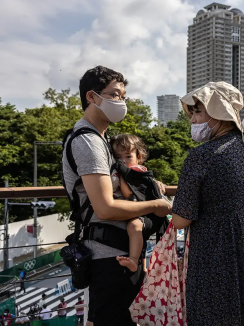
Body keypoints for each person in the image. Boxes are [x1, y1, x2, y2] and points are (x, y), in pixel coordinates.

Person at [62, 66, 171, 325]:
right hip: (109, 256)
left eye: (123, 96)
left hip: (118, 252)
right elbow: (106, 208)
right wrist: (155, 204)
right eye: (114, 95)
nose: (120, 102)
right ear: (92, 97)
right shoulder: (88, 141)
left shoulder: (102, 139)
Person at [171, 81, 244, 324]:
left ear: (217, 114)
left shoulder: (201, 156)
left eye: (198, 112)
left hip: (215, 253)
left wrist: (160, 203)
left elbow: (180, 219)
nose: (193, 119)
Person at [110, 133, 161, 272]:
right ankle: (142, 267)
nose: (123, 161)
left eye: (128, 156)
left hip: (146, 211)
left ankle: (133, 260)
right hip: (144, 210)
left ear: (138, 157)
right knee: (139, 236)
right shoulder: (135, 170)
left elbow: (128, 193)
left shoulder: (134, 172)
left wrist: (120, 176)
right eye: (118, 157)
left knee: (134, 227)